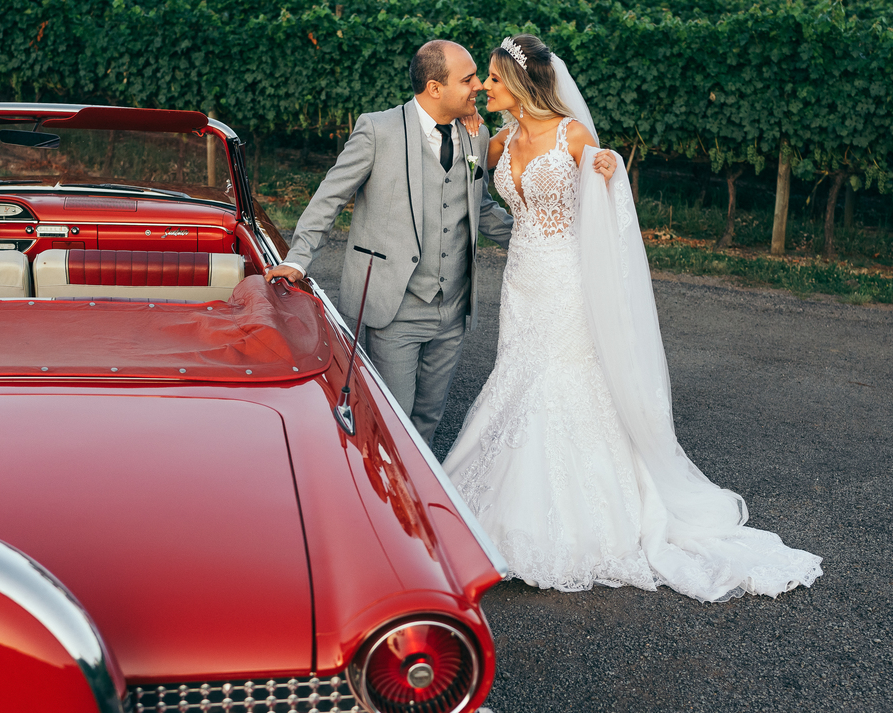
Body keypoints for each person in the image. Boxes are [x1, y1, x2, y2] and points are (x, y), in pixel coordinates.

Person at [442, 34, 823, 601]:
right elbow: (475, 198)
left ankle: (570, 525)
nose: (485, 88)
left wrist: (609, 165)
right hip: (522, 281)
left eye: (493, 79)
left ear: (518, 83)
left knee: (558, 379)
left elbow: (605, 201)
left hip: (567, 279)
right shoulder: (497, 141)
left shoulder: (574, 136)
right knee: (518, 374)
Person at [265, 40, 513, 444]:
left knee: (428, 421)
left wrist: (534, 240)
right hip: (394, 308)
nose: (478, 87)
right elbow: (331, 196)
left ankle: (415, 504)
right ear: (435, 88)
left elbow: (480, 208)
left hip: (452, 310)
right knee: (391, 423)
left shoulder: (476, 135)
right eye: (468, 79)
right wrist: (299, 258)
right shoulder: (377, 130)